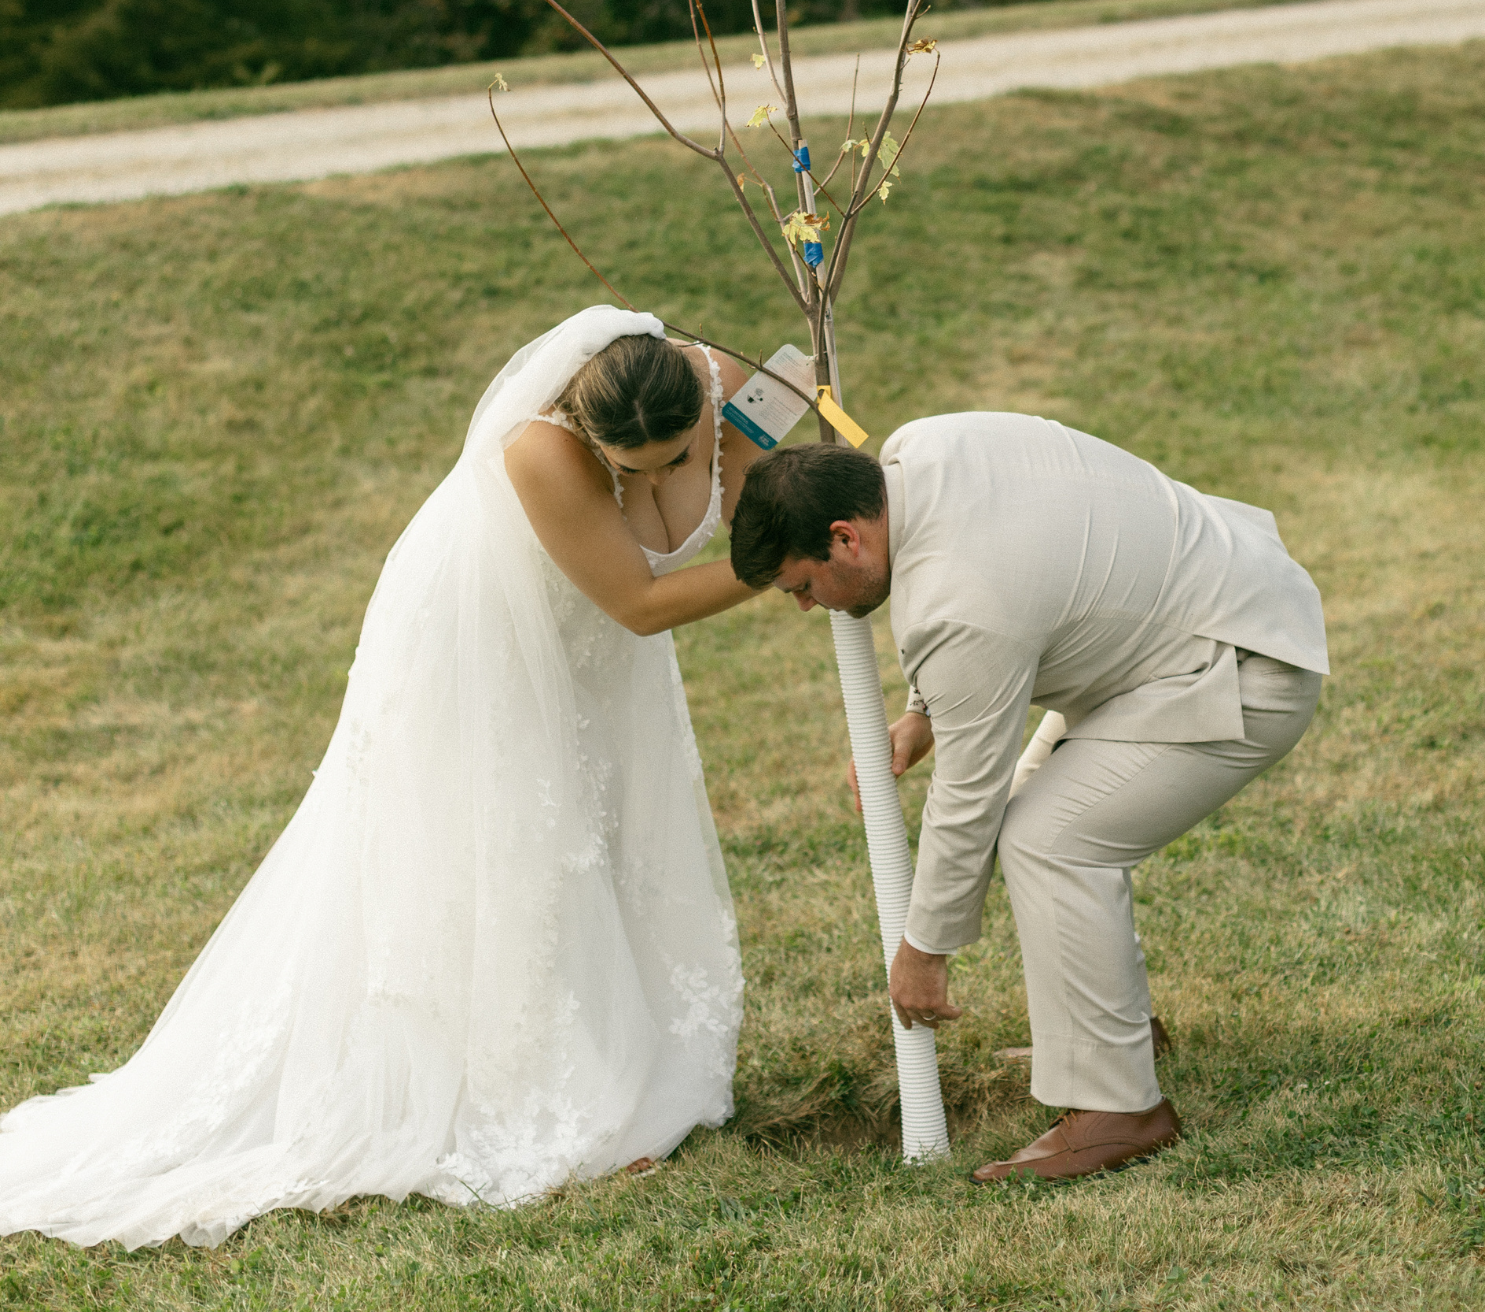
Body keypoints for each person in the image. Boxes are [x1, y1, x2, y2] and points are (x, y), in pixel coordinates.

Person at [0, 306, 768, 1249]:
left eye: (675, 458)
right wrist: (791, 559)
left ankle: (626, 1044)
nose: (654, 480)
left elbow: (768, 459)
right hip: (476, 644)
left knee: (604, 822)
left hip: (580, 645)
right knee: (517, 842)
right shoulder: (542, 449)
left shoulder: (719, 382)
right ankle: (535, 1085)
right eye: (632, 469)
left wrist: (803, 461)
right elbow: (642, 603)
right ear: (584, 420)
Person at [729, 413, 1328, 1183]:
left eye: (802, 587)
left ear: (845, 537)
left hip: (1237, 663)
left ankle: (1119, 1107)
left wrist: (922, 954)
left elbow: (964, 800)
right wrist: (923, 711)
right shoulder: (923, 447)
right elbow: (989, 596)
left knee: (1050, 837)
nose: (808, 607)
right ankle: (1113, 1037)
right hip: (1206, 604)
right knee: (1043, 821)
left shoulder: (960, 604)